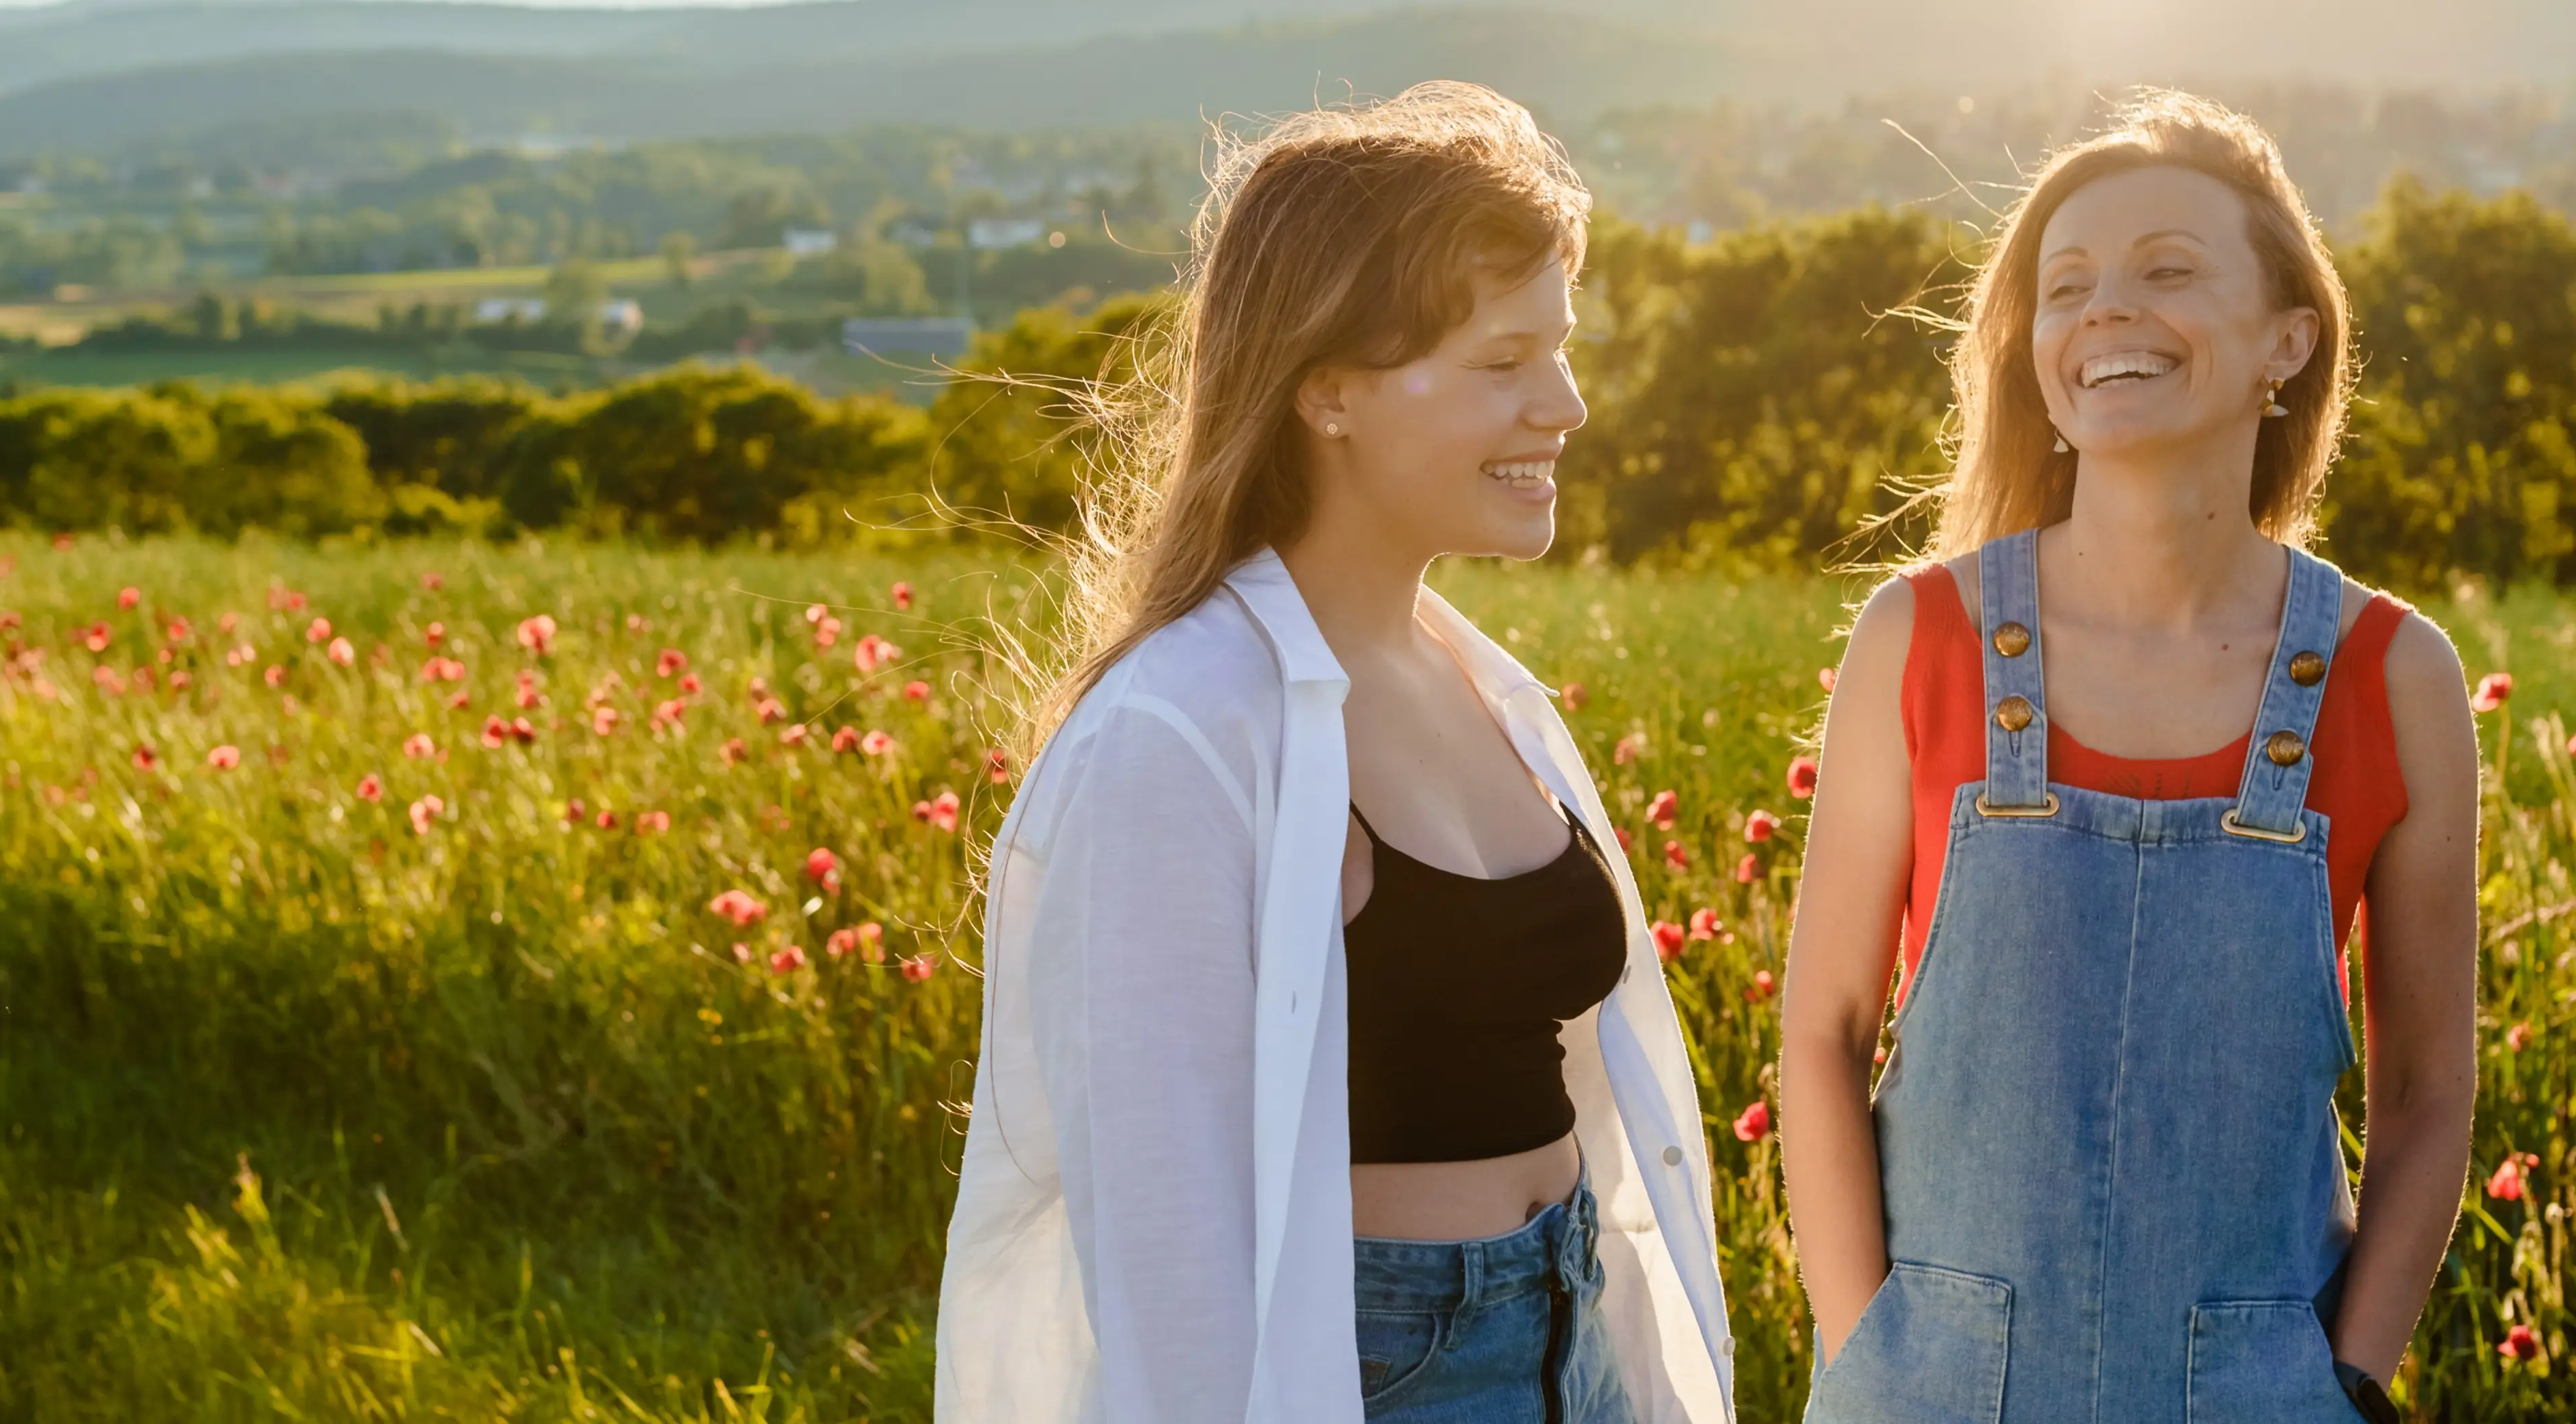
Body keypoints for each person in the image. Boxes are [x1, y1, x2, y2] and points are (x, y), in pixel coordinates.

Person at [936, 82, 1732, 1424]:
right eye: (1502, 362)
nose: (1567, 405)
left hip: (1572, 1338)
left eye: (1561, 348)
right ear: (1328, 393)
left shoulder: (1482, 683)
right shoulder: (1177, 732)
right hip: (1378, 1372)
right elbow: (1163, 1252)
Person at [1775, 92, 2481, 1424]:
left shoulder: (2396, 677)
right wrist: (1866, 1343)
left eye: (2166, 269)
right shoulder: (1918, 638)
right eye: (2066, 285)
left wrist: (2350, 1383)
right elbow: (1821, 1034)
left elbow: (2431, 1088)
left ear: (2288, 339)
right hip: (1925, 1389)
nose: (2103, 309)